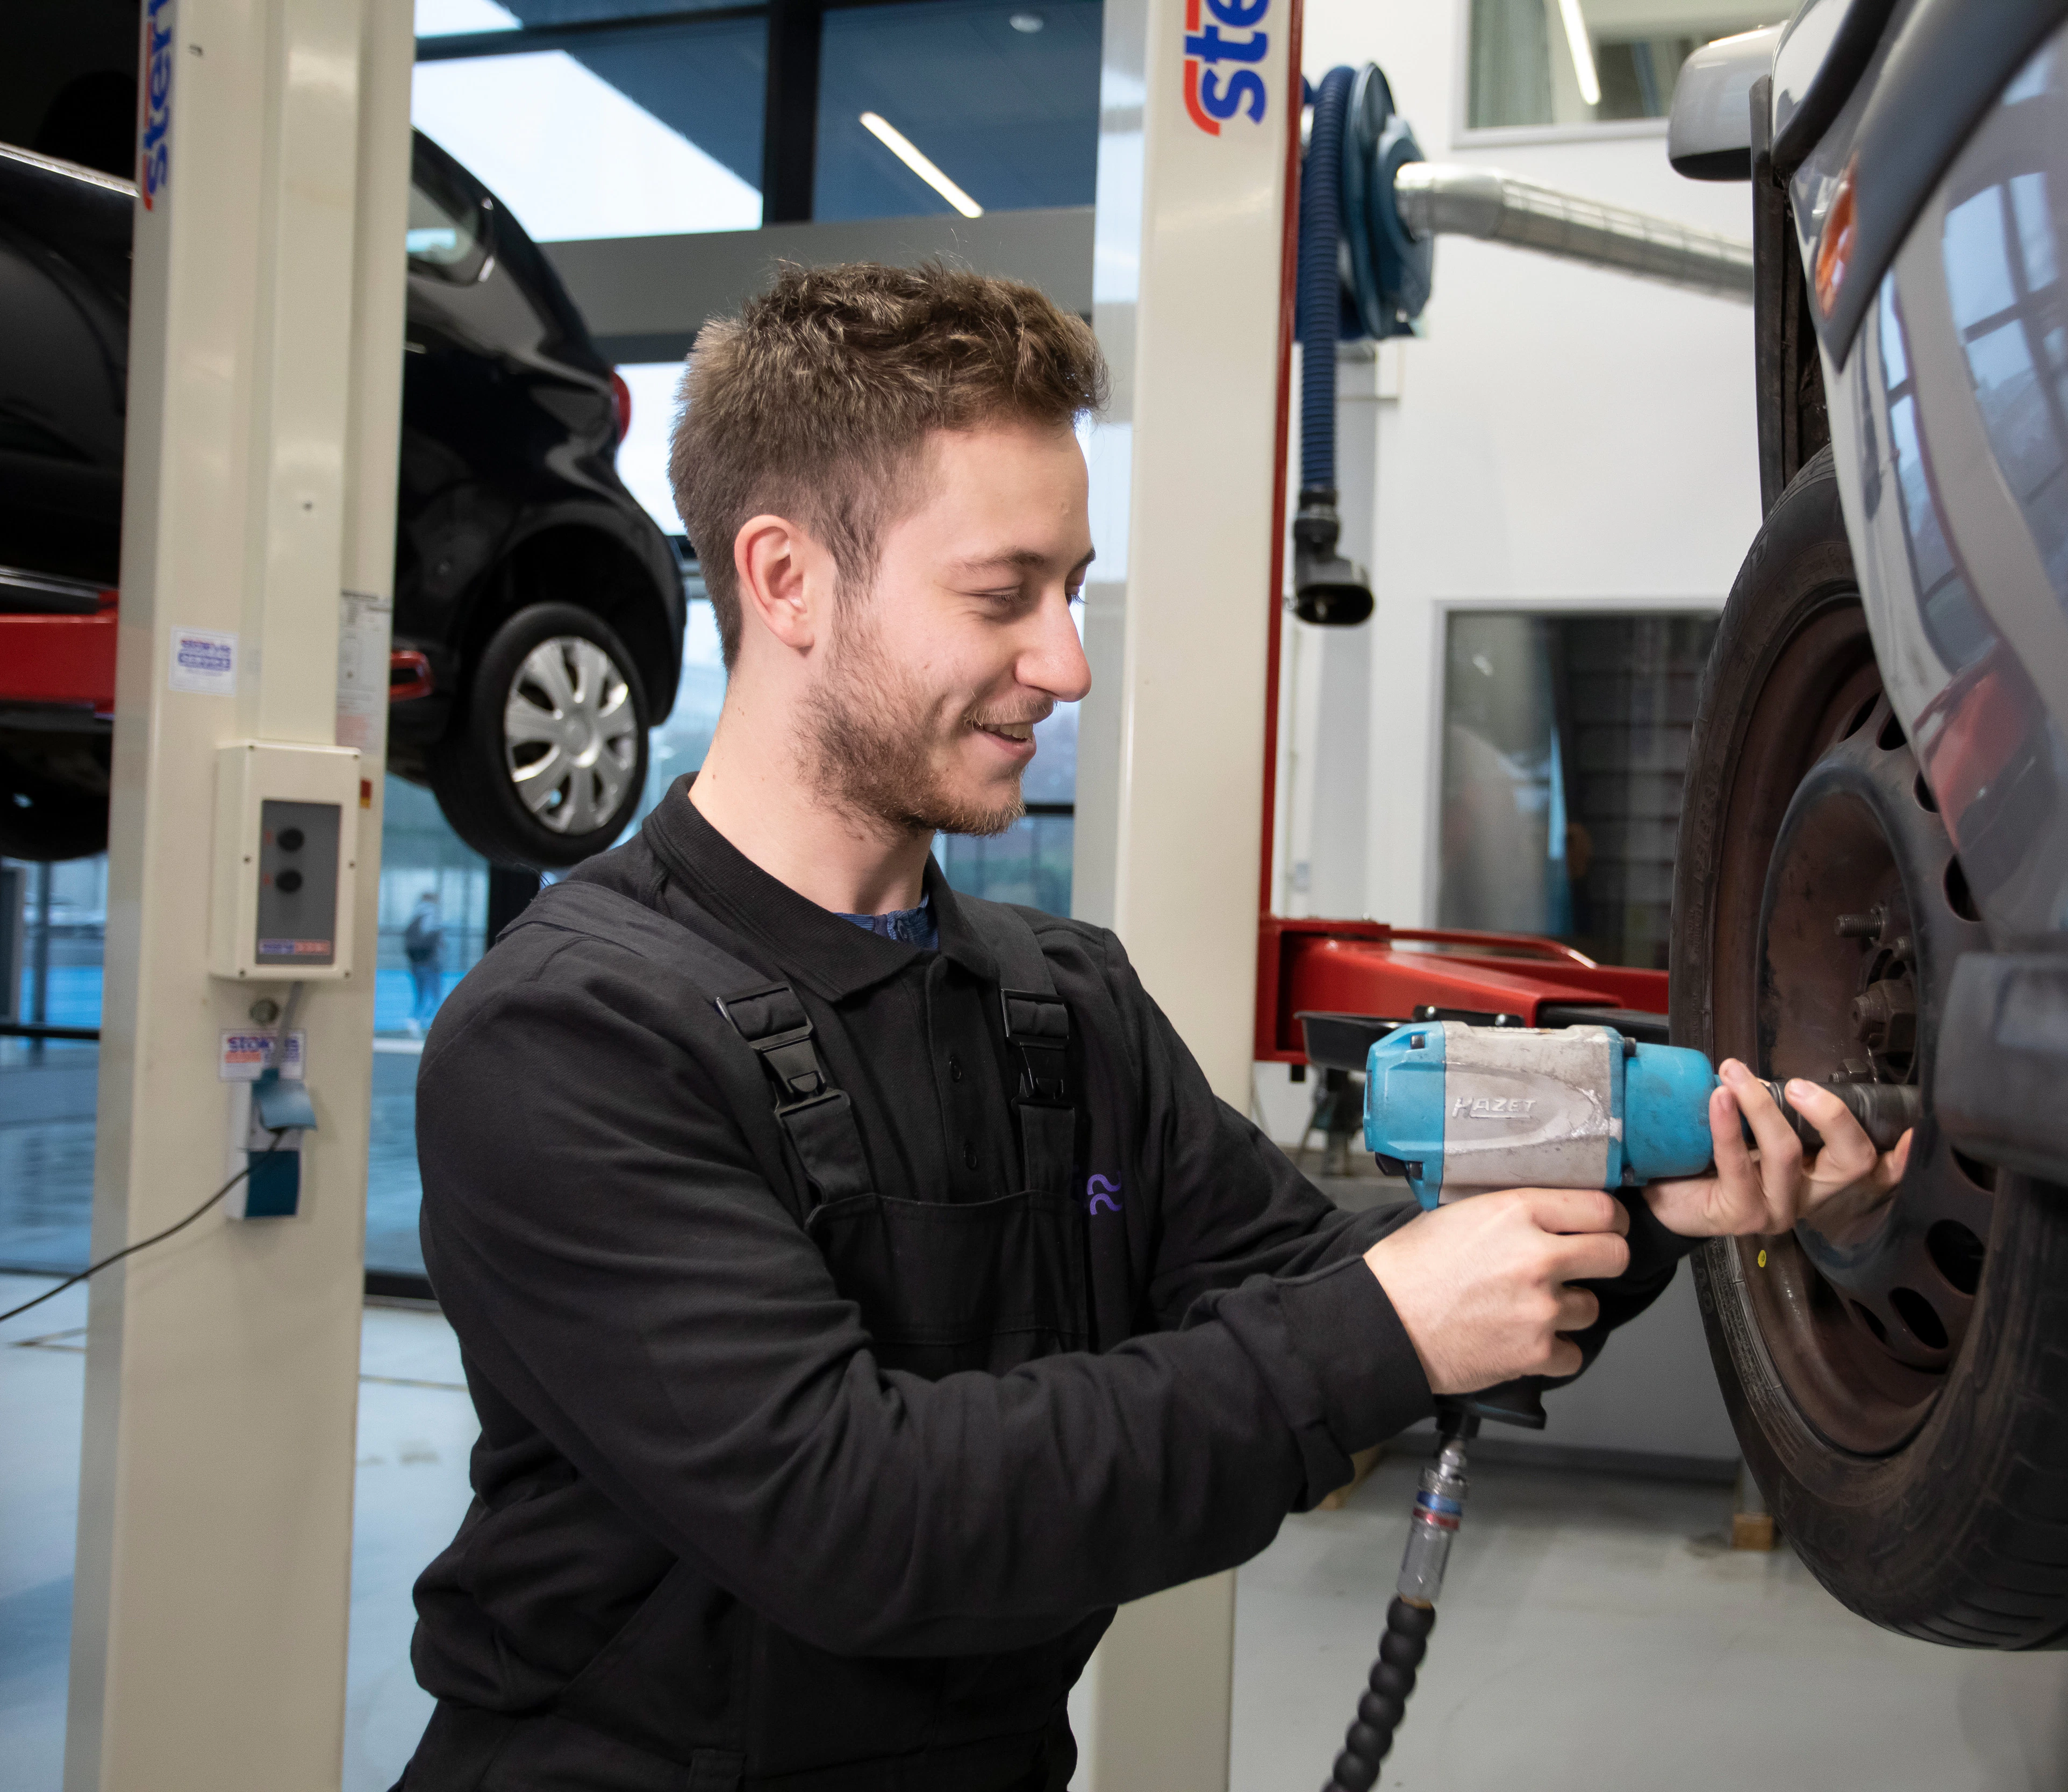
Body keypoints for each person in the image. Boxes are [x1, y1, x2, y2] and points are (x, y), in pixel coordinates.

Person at [395, 263, 1912, 1791]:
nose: (1066, 661)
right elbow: (852, 1515)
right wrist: (1384, 1324)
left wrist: (1654, 1205)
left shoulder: (1058, 1006)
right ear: (785, 580)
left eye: (1070, 586)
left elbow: (1329, 1296)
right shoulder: (569, 1035)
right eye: (1003, 595)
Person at [401, 891, 442, 1037]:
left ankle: (416, 1020)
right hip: (430, 962)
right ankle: (421, 1023)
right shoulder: (432, 915)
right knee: (434, 996)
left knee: (421, 995)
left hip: (416, 962)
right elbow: (437, 940)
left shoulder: (415, 915)